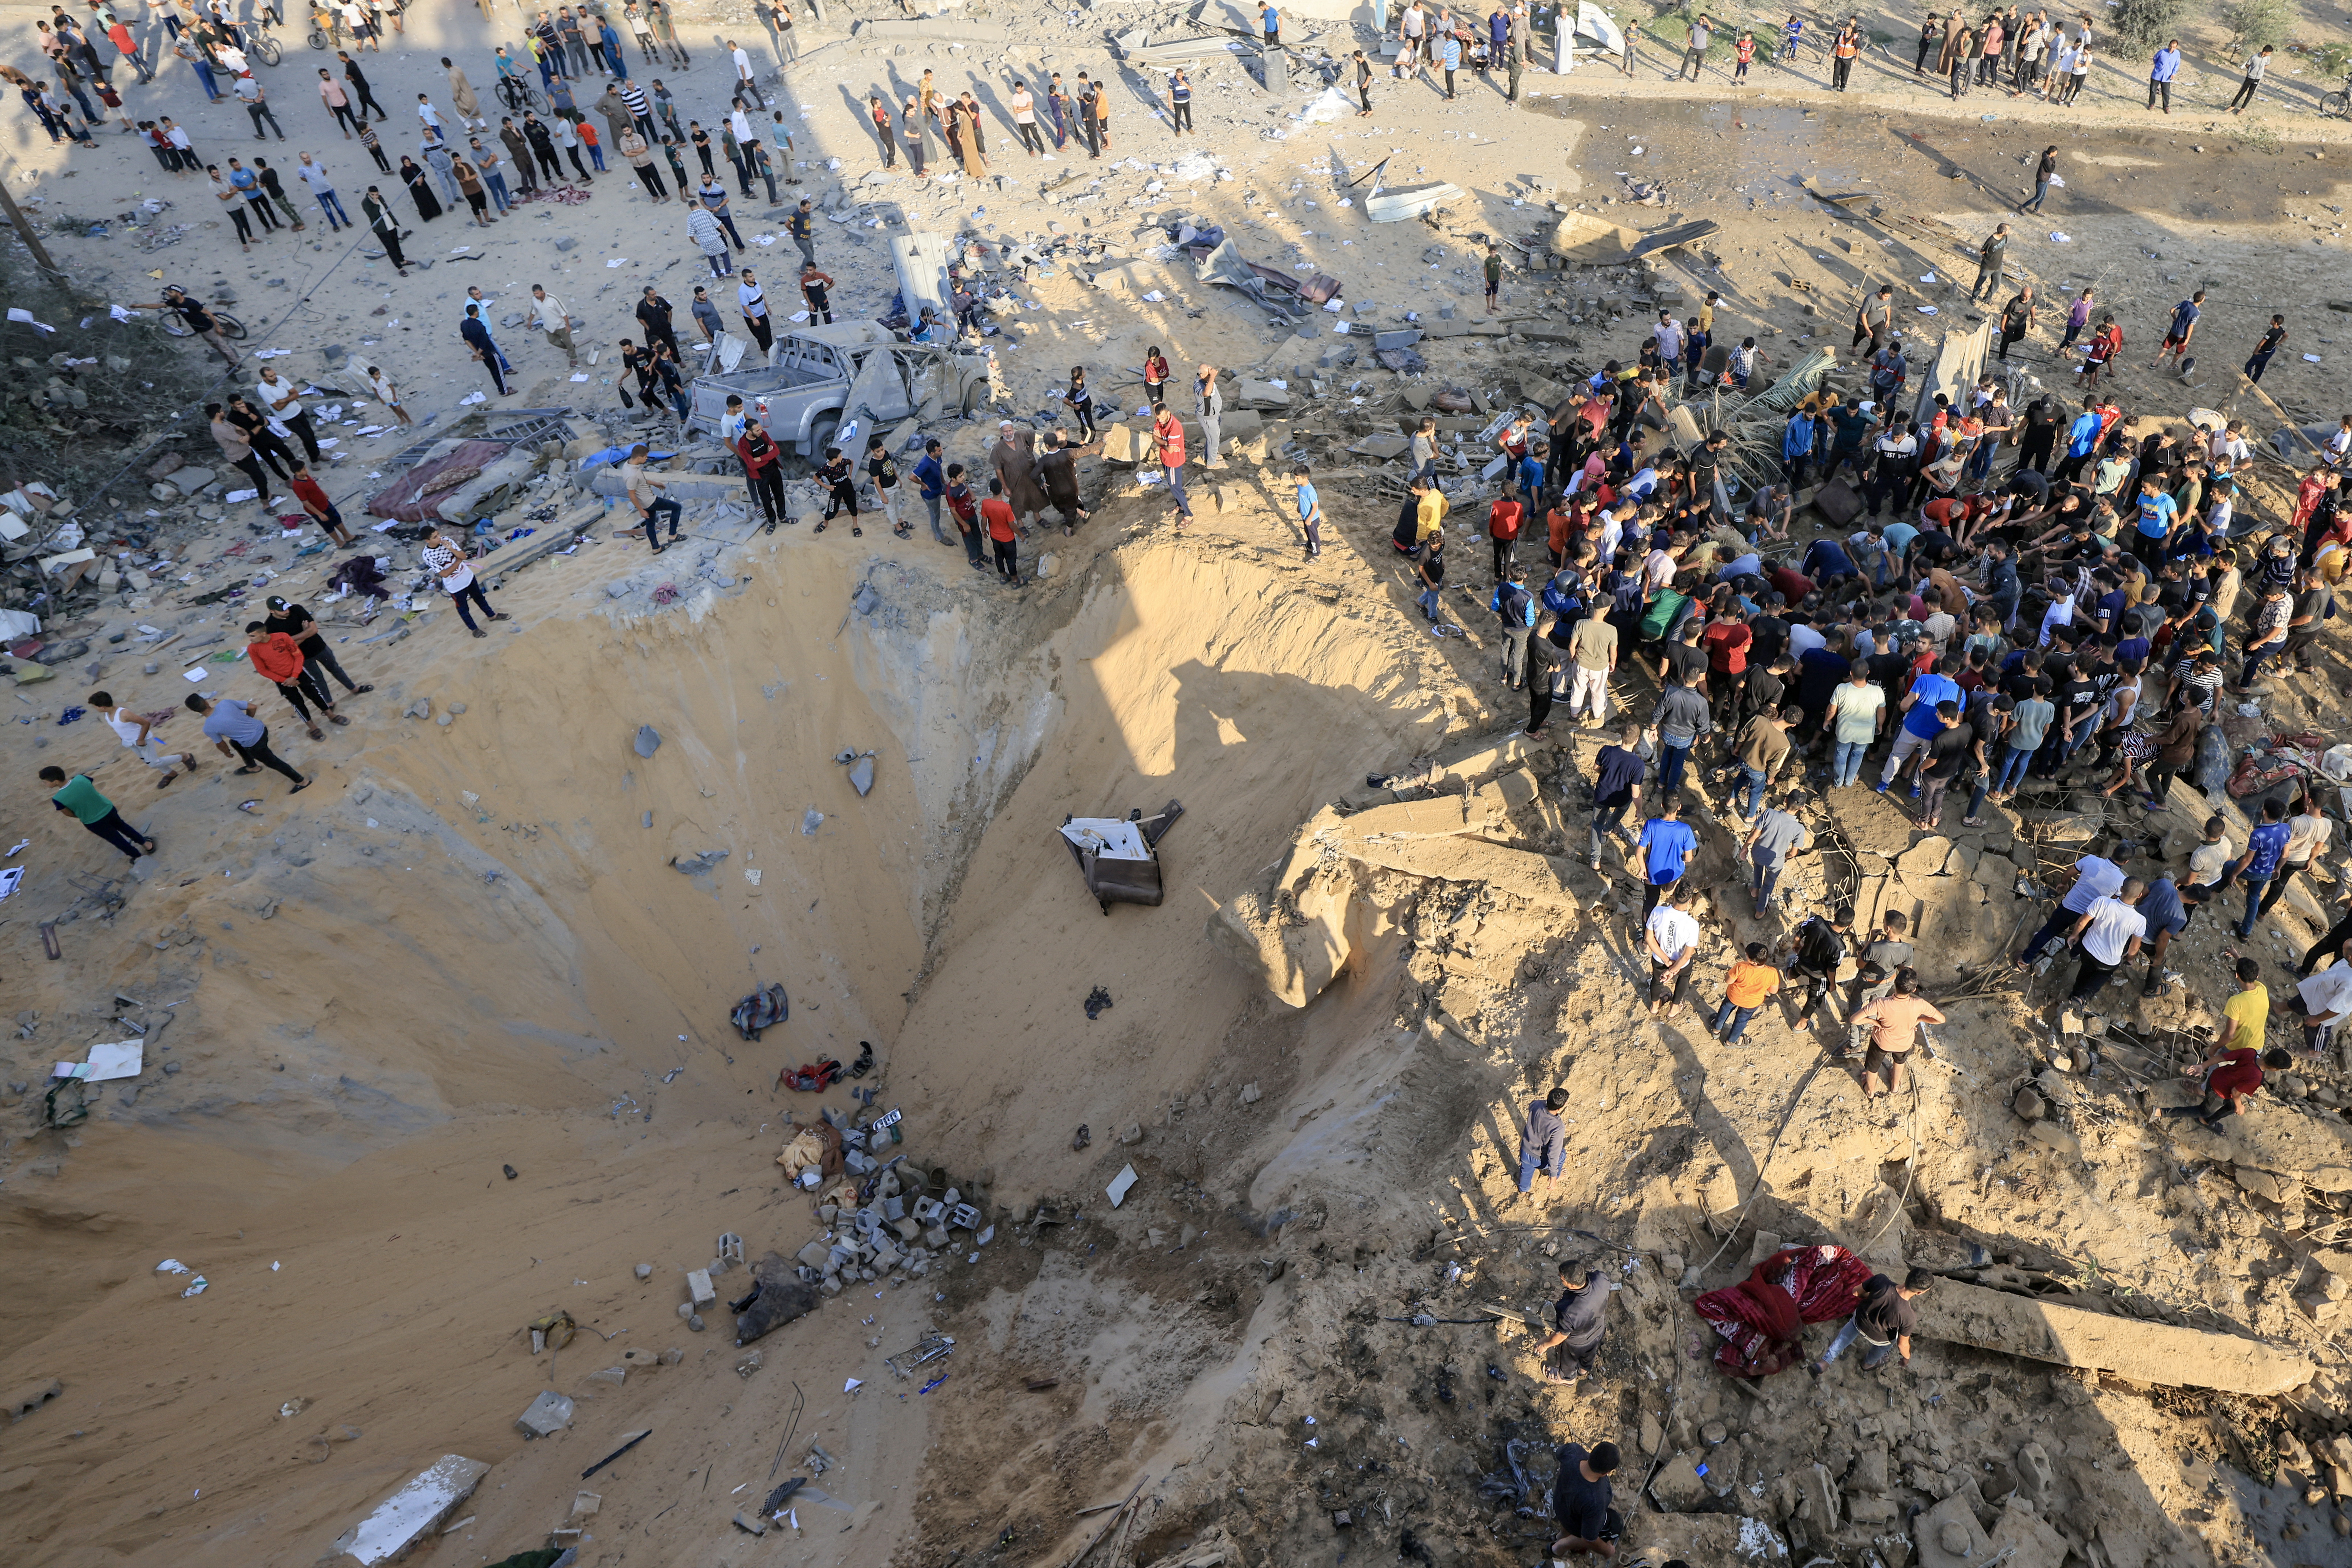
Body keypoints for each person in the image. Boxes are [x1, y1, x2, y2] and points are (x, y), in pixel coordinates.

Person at [2164, 991, 2290, 1130]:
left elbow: (2223, 1057)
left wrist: (2204, 1066)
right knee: (2206, 1110)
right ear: (2275, 1069)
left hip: (2217, 1077)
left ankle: (2207, 1114)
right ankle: (2188, 1117)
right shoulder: (2257, 1079)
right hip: (2220, 1092)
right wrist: (2240, 1106)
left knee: (2229, 1108)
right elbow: (2236, 1092)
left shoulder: (2251, 1053)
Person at [187, 692, 308, 790]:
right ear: (206, 702)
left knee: (274, 763)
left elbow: (221, 744)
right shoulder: (225, 703)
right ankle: (252, 767)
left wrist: (227, 753)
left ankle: (302, 782)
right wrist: (248, 720)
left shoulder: (209, 727)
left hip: (254, 745)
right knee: (235, 742)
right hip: (262, 729)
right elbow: (253, 707)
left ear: (195, 711)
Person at [1817, 1268, 1932, 1372]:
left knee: (1846, 1335)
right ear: (1920, 1293)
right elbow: (1902, 1345)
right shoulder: (1909, 1317)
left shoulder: (1881, 1281)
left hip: (1860, 1321)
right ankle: (1869, 1364)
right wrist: (1907, 1358)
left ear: (1908, 1276)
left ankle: (1826, 1361)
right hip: (1879, 1338)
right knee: (1888, 1343)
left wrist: (1872, 1297)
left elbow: (1856, 1292)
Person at [1849, 968, 1944, 1092]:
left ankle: (1870, 1090)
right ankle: (1895, 1087)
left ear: (1895, 984)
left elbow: (1854, 1020)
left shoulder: (1881, 1003)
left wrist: (1873, 1022)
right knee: (1900, 1062)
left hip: (1881, 1043)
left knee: (1872, 1068)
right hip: (1904, 1044)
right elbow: (1941, 1020)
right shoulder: (1920, 1004)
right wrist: (1920, 1019)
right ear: (1914, 990)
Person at [40, 765, 153, 861]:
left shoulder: (58, 799)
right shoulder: (81, 779)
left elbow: (68, 813)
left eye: (45, 783)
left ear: (55, 782)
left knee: (116, 839)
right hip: (107, 809)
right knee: (124, 827)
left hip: (93, 821)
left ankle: (137, 857)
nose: (45, 785)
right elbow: (90, 787)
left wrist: (82, 814)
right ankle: (147, 844)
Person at [2063, 879, 2147, 1004]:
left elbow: (2082, 922)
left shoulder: (2102, 902)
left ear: (2121, 889)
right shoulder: (2140, 921)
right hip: (2109, 961)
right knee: (2103, 976)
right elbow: (2135, 946)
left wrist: (2074, 935)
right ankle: (2084, 997)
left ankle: (2075, 995)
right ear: (2140, 895)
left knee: (2085, 972)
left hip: (2088, 949)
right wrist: (2130, 958)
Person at [1530, 1260, 1607, 1387]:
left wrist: (1545, 1344)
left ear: (1572, 1286)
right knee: (1590, 1353)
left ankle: (1567, 1378)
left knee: (1568, 1360)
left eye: (1563, 1280)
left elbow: (1562, 1336)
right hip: (1598, 1331)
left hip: (1577, 1344)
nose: (1562, 1281)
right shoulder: (1601, 1279)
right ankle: (1584, 1369)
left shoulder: (1569, 1309)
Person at [419, 524, 505, 636]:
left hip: (468, 577)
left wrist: (450, 548)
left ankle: (492, 615)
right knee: (463, 608)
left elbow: (463, 556)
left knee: (480, 598)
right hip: (456, 586)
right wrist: (458, 562)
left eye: (438, 534)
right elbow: (444, 574)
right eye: (435, 537)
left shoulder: (447, 541)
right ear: (427, 541)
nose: (439, 538)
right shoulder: (428, 555)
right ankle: (474, 629)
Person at [1548, 1440, 1622, 1560]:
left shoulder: (1573, 1451)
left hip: (1560, 1504)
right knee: (1582, 1530)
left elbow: (1559, 1453)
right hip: (1576, 1523)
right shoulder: (1596, 1501)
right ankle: (1559, 1547)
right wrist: (1608, 1550)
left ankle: (1559, 1537)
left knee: (1569, 1518)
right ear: (1605, 1473)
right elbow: (1588, 1539)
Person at [1744, 787, 1808, 914]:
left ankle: (1755, 891)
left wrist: (1745, 847)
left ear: (1785, 800)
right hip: (1775, 862)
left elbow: (1755, 834)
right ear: (1801, 808)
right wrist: (1785, 857)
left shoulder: (1769, 813)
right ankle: (1760, 911)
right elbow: (1794, 853)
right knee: (1768, 885)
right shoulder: (1799, 829)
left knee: (1758, 866)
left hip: (1758, 853)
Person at [1589, 722, 1643, 871]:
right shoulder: (1638, 765)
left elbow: (1596, 768)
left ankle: (1595, 861)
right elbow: (1635, 792)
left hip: (1602, 795)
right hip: (1622, 799)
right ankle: (1609, 829)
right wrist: (1639, 809)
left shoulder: (1606, 751)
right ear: (1637, 740)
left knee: (1596, 824)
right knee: (1621, 810)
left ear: (1621, 736)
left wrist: (1607, 774)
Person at [1790, 905, 1851, 1031]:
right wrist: (1832, 985)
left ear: (1835, 915)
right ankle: (1800, 1025)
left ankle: (1789, 976)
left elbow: (1799, 935)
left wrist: (1796, 945)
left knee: (1796, 968)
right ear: (1848, 926)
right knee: (1814, 999)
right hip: (1818, 976)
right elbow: (1831, 970)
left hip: (1802, 961)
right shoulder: (1840, 948)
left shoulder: (1817, 921)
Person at [1634, 797, 1696, 918]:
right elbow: (1689, 858)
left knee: (1649, 904)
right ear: (1679, 807)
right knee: (1672, 884)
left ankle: (1646, 935)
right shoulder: (1686, 830)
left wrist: (1642, 868)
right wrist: (1682, 862)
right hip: (1673, 872)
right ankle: (1669, 891)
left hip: (1653, 873)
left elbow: (1639, 853)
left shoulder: (1651, 825)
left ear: (1662, 805)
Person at [1713, 941, 1782, 1045]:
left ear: (1754, 962)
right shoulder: (1772, 973)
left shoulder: (1741, 967)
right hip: (1752, 1003)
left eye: (1747, 956)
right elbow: (1773, 991)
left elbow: (1729, 981)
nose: (1746, 956)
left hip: (1734, 997)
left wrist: (1728, 975)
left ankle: (1716, 1030)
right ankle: (1731, 1042)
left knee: (1725, 1010)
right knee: (1742, 1020)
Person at [1516, 1087, 1566, 1194]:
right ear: (1560, 1109)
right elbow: (1553, 1154)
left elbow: (1533, 1106)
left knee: (1525, 1173)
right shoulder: (1558, 1127)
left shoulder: (1537, 1104)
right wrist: (1553, 1177)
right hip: (1540, 1160)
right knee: (1562, 1155)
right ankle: (1558, 1176)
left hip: (1525, 1151)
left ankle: (1523, 1190)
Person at [981, 477, 1020, 585]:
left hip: (995, 537)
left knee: (999, 556)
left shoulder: (986, 503)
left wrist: (984, 531)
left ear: (991, 490)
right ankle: (1015, 580)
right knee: (1011, 560)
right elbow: (1012, 525)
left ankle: (1003, 576)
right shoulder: (1006, 508)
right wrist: (1021, 535)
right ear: (1002, 489)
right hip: (1008, 539)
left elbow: (984, 521)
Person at [2229, 43, 2271, 112]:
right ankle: (2232, 106)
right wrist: (2252, 71)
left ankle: (2243, 109)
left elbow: (2266, 66)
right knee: (2242, 92)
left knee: (2250, 94)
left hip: (2258, 78)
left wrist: (2261, 71)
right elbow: (2248, 65)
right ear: (2265, 52)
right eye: (2269, 53)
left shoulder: (2268, 58)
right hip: (2250, 77)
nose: (2270, 55)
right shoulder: (2254, 57)